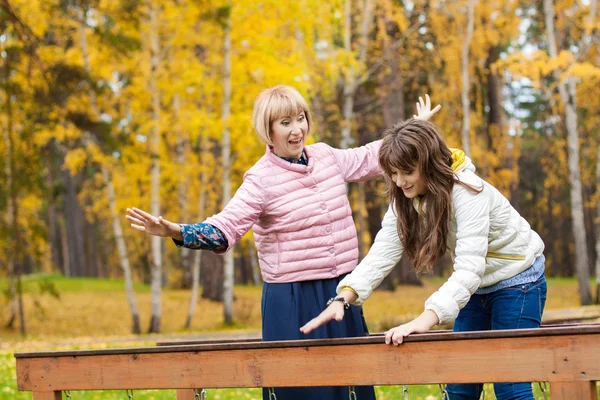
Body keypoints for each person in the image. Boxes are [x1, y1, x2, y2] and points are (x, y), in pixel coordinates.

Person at [126, 85, 440, 400]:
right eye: (285, 122)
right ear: (268, 131)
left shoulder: (326, 156)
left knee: (351, 385)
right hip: (293, 300)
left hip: (342, 291)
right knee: (303, 389)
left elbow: (374, 155)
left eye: (300, 118)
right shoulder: (260, 180)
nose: (297, 129)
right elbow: (225, 228)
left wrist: (417, 127)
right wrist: (177, 232)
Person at [301, 119, 546, 400]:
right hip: (478, 287)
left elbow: (469, 268)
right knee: (460, 387)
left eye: (407, 172)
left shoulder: (468, 192)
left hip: (518, 280)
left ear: (428, 163)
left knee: (510, 386)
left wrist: (424, 319)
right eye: (393, 172)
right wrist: (345, 296)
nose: (399, 181)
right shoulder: (407, 196)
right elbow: (384, 249)